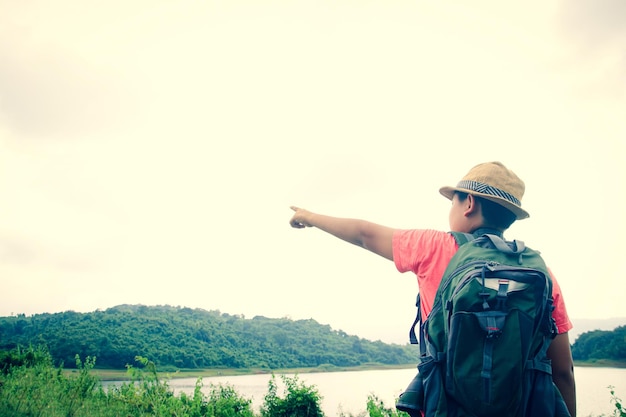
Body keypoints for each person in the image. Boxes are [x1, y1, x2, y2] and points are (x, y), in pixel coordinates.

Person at [289, 161, 576, 416]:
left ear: (469, 204)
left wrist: (309, 216)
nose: (450, 207)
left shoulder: (434, 247)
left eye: (453, 200)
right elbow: (563, 371)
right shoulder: (540, 273)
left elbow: (364, 234)